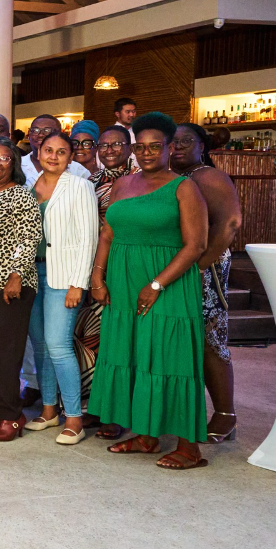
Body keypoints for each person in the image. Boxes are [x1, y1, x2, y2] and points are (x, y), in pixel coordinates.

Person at [91, 112, 210, 470]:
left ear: (170, 148)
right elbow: (109, 232)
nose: (146, 153)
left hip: (168, 283)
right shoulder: (123, 184)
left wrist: (157, 284)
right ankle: (146, 435)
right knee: (135, 355)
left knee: (171, 357)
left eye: (154, 146)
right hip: (124, 284)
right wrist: (98, 276)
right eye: (140, 147)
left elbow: (196, 244)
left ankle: (189, 448)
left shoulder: (184, 187)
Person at [23, 133, 98, 445]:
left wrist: (78, 283)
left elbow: (88, 238)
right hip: (32, 275)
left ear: (70, 157)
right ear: (38, 152)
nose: (53, 156)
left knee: (58, 346)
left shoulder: (79, 186)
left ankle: (74, 418)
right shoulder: (29, 187)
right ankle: (48, 410)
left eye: (61, 152)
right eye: (48, 150)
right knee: (40, 345)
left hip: (64, 277)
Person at [172, 123, 242, 445]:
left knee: (209, 339)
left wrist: (198, 266)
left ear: (202, 146)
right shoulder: (176, 177)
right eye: (173, 141)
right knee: (186, 338)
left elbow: (230, 223)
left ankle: (226, 414)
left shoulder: (208, 176)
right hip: (181, 266)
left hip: (204, 266)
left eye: (186, 141)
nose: (178, 146)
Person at [0, 137, 42, 441]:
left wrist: (16, 275)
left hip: (9, 282)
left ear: (14, 163)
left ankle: (12, 416)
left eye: (4, 158)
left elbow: (29, 237)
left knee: (4, 352)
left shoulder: (21, 195)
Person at [78, 125, 139, 438]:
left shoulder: (140, 179)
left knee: (118, 340)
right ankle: (95, 405)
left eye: (117, 144)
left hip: (126, 265)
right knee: (90, 339)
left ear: (129, 147)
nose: (109, 150)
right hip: (93, 265)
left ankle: (117, 412)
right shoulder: (92, 180)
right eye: (104, 145)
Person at [21, 114, 91, 183]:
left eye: (47, 130)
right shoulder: (18, 165)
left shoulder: (78, 171)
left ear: (60, 134)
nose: (40, 135)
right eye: (35, 130)